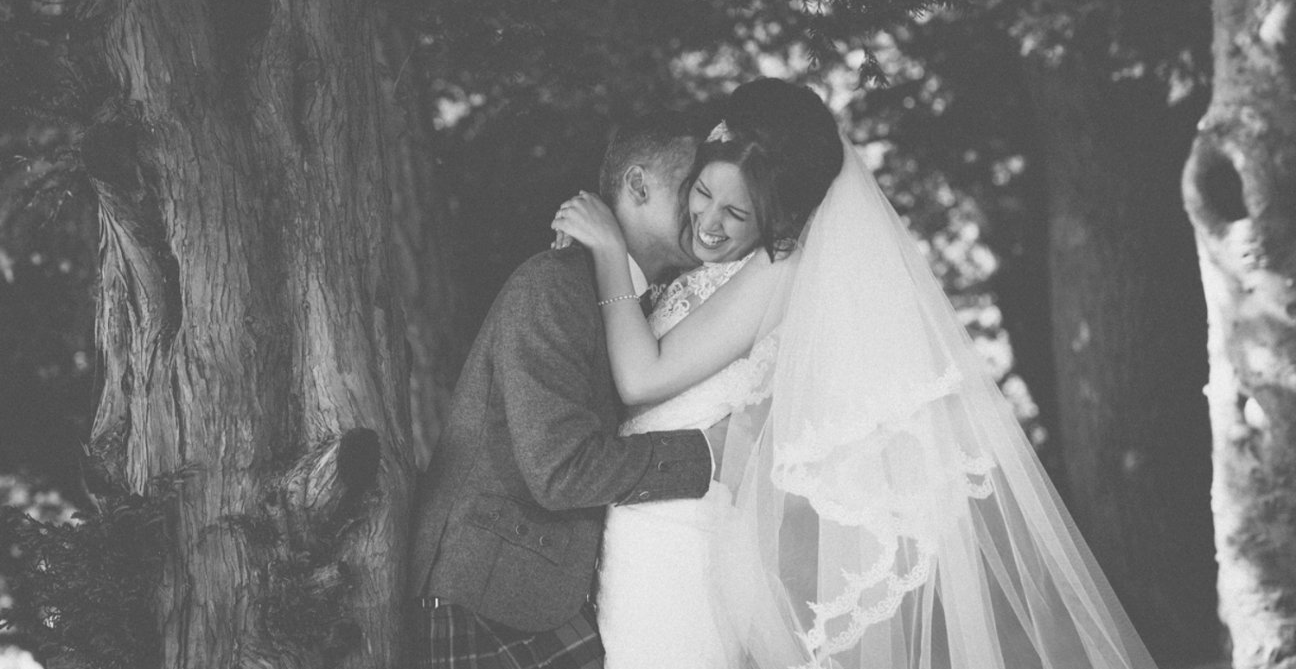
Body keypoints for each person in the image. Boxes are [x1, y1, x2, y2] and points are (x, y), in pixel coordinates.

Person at [552, 78, 1159, 669]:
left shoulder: (777, 269)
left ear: (776, 212)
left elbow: (641, 379)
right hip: (638, 522)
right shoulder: (714, 264)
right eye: (703, 192)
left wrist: (607, 252)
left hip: (678, 537)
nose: (709, 221)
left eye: (737, 211)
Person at [407, 110, 726, 669]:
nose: (704, 210)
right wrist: (709, 454)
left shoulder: (642, 308)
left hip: (539, 596)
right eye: (692, 187)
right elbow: (561, 470)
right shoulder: (553, 284)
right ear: (637, 185)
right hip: (488, 595)